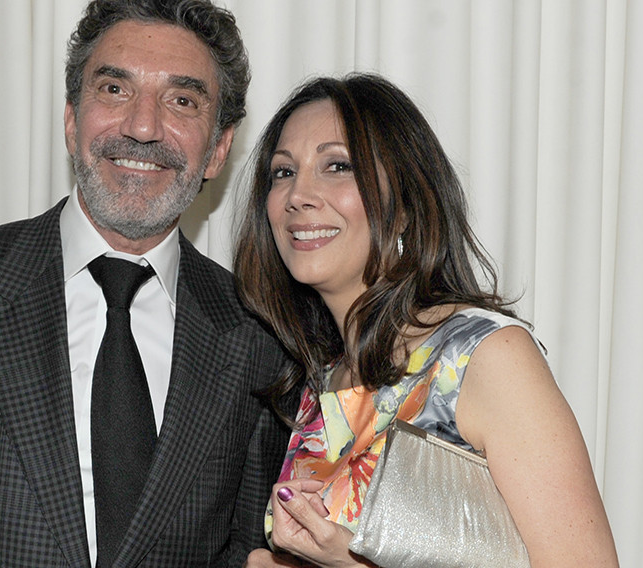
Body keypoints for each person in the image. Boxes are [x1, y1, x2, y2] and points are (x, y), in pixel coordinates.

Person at [0, 0, 290, 567]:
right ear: (73, 120)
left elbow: (251, 550)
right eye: (114, 89)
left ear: (218, 148)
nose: (143, 126)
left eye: (182, 100)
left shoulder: (258, 330)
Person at [234, 73, 619, 567]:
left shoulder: (483, 357)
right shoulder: (319, 383)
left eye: (337, 166)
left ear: (406, 208)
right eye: (283, 172)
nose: (298, 195)